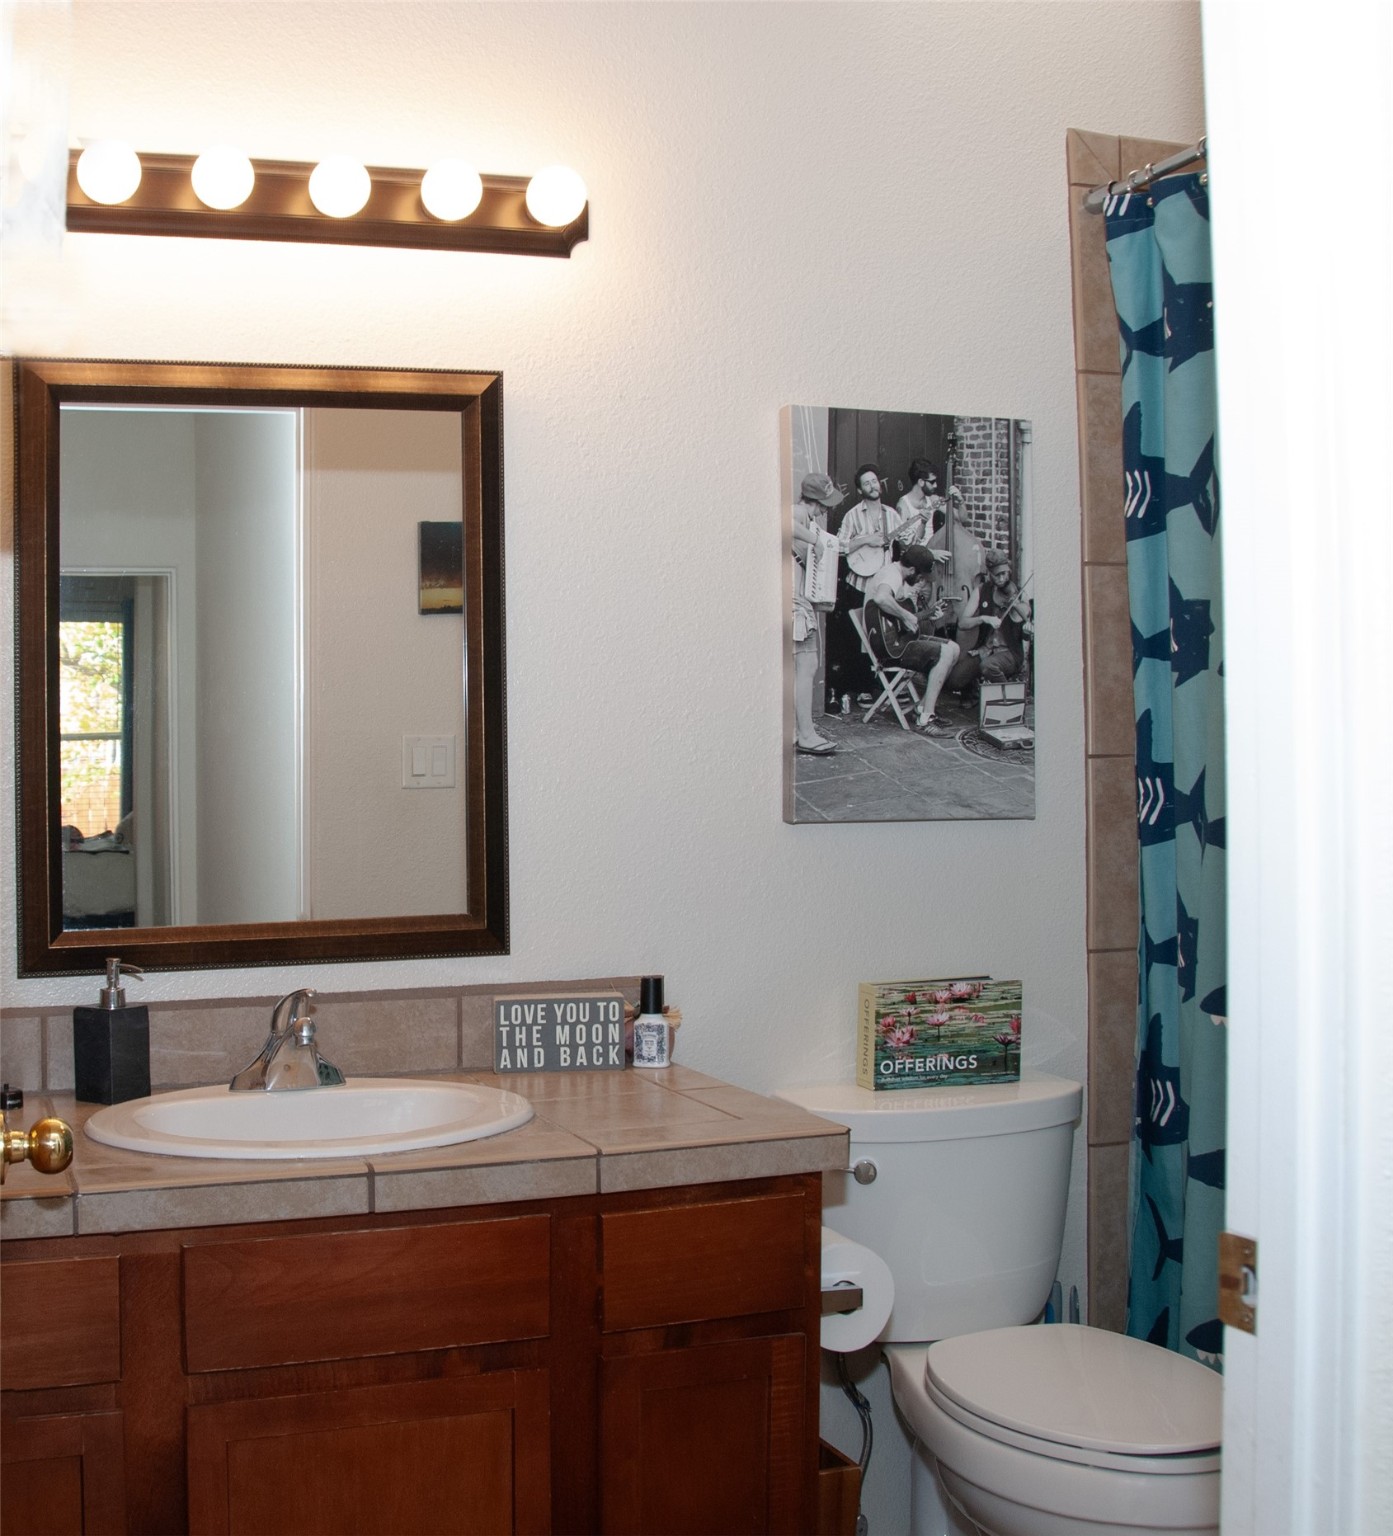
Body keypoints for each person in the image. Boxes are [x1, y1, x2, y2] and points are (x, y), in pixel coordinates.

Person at [826, 464, 906, 710]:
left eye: (874, 481)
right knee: (859, 638)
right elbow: (839, 546)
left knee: (884, 635)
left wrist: (921, 522)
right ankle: (862, 688)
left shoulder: (891, 515)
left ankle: (884, 685)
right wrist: (866, 540)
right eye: (867, 483)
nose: (873, 486)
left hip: (883, 586)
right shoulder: (852, 515)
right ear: (860, 490)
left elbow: (908, 540)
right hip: (859, 585)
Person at [862, 544, 961, 734]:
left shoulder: (896, 575)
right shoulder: (891, 575)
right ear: (913, 569)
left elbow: (901, 618)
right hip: (890, 647)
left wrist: (927, 614)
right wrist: (906, 616)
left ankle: (922, 708)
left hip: (900, 640)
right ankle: (925, 720)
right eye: (921, 576)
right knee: (946, 652)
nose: (921, 581)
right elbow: (881, 598)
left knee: (954, 649)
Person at [791, 472, 844, 755]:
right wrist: (815, 539)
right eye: (825, 503)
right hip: (795, 601)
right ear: (815, 500)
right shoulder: (798, 512)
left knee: (803, 665)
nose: (826, 509)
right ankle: (806, 734)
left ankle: (799, 730)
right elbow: (783, 523)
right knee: (807, 664)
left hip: (799, 600)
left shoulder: (807, 518)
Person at [946, 547, 1032, 697]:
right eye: (997, 575)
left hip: (1009, 653)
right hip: (985, 650)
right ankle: (978, 690)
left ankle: (1009, 696)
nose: (1002, 579)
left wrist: (1016, 605)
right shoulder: (981, 591)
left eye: (1004, 573)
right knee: (954, 681)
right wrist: (983, 618)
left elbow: (1027, 619)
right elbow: (962, 623)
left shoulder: (1018, 593)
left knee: (988, 666)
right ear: (989, 573)